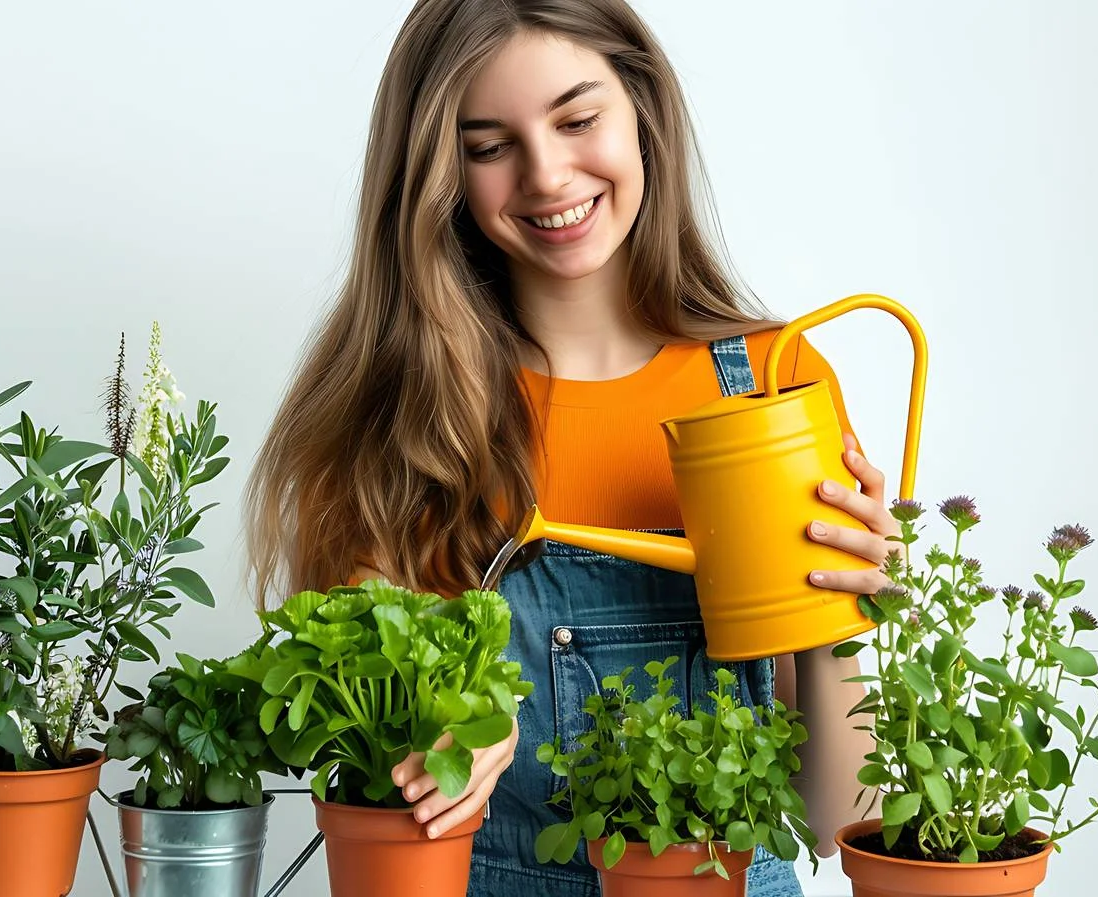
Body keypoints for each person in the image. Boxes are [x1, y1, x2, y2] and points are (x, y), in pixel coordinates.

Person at [245, 1, 894, 894]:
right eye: (489, 146)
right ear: (441, 175)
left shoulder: (772, 385)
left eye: (578, 119)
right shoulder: (405, 421)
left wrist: (838, 619)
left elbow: (834, 821)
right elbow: (371, 796)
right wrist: (448, 732)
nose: (547, 175)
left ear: (643, 109)